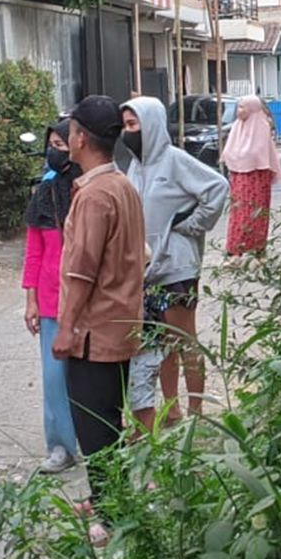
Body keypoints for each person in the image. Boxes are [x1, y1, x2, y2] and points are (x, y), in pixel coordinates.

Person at [52, 96, 145, 547]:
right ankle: (108, 497)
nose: (65, 138)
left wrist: (66, 327)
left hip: (95, 330)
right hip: (122, 322)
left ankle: (110, 514)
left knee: (96, 428)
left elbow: (81, 269)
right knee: (109, 418)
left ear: (82, 138)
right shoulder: (122, 184)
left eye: (69, 131)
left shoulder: (94, 194)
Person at [120, 97, 229, 430]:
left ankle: (197, 411)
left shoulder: (175, 161)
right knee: (159, 341)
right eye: (124, 126)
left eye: (132, 125)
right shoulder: (134, 167)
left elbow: (218, 188)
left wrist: (191, 225)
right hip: (147, 269)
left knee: (184, 339)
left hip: (178, 267)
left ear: (150, 124)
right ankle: (171, 409)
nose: (127, 132)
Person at [23, 120, 80, 474]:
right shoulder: (43, 192)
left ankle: (104, 440)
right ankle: (60, 445)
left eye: (62, 143)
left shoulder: (93, 188)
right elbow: (33, 251)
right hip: (49, 299)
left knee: (93, 375)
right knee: (54, 377)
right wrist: (30, 299)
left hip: (90, 297)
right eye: (51, 144)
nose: (54, 150)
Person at [222, 94, 281, 257]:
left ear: (252, 109)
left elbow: (258, 154)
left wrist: (241, 157)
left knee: (255, 215)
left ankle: (257, 249)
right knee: (238, 213)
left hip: (256, 179)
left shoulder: (261, 127)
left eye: (243, 107)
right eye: (239, 106)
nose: (239, 111)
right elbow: (228, 152)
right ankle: (235, 249)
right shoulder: (237, 127)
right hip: (239, 178)